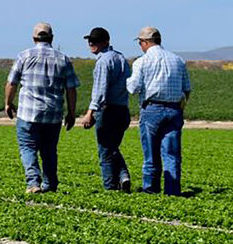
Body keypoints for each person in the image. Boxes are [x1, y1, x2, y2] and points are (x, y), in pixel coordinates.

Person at [4, 22, 80, 193]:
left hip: (28, 113)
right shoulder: (63, 59)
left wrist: (8, 103)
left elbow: (12, 83)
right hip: (53, 114)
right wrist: (72, 113)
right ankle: (50, 184)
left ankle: (33, 183)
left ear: (33, 38)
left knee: (27, 146)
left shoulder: (24, 56)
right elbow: (71, 88)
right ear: (52, 38)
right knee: (49, 150)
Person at [125, 26, 191, 195]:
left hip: (152, 109)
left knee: (151, 154)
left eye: (140, 42)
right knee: (171, 154)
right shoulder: (178, 60)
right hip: (174, 109)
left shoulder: (142, 61)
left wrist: (127, 81)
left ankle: (150, 189)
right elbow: (187, 89)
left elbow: (133, 87)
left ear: (145, 42)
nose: (140, 46)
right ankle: (172, 191)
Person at [78, 27, 132, 192]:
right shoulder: (121, 58)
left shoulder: (103, 61)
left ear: (105, 41)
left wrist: (90, 113)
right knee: (112, 147)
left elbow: (100, 91)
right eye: (90, 41)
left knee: (106, 152)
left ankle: (110, 188)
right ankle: (123, 177)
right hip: (122, 109)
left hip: (108, 111)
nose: (91, 44)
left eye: (95, 41)